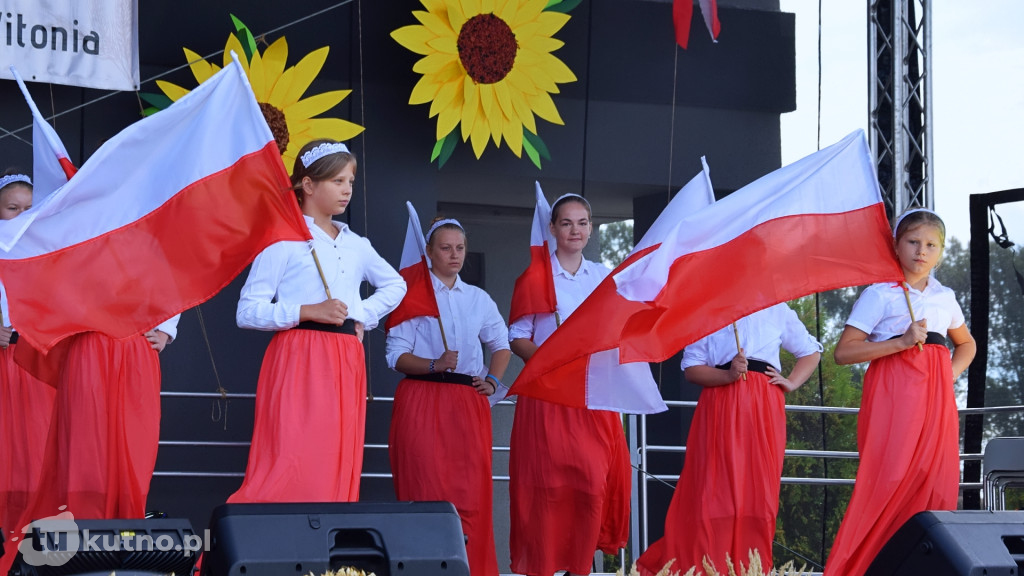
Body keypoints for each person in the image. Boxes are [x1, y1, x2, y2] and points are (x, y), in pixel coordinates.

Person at [229, 139, 406, 503]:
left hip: (345, 358)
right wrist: (307, 311)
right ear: (308, 185)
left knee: (337, 452)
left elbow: (396, 284)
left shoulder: (356, 243)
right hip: (298, 355)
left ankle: (325, 545)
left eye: (351, 182)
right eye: (337, 181)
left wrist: (362, 315)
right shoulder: (283, 238)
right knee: (291, 453)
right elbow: (247, 311)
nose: (347, 190)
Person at [824, 209, 976, 576]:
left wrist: (945, 376)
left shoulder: (945, 297)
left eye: (930, 245)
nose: (921, 251)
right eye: (912, 242)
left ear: (940, 252)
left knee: (936, 481)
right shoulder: (880, 294)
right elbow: (844, 352)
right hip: (894, 397)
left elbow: (967, 344)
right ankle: (862, 567)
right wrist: (902, 343)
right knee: (888, 480)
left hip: (936, 403)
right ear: (895, 245)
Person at [636, 304, 821, 575]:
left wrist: (791, 382)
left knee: (759, 491)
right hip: (721, 400)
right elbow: (691, 368)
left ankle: (751, 566)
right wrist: (728, 374)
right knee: (714, 489)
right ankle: (708, 565)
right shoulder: (709, 310)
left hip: (764, 404)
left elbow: (810, 352)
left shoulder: (777, 308)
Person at [508, 193, 630, 576]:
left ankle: (582, 567)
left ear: (591, 228)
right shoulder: (535, 277)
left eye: (582, 223)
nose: (574, 230)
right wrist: (549, 361)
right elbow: (517, 337)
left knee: (593, 483)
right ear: (553, 228)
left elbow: (619, 328)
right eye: (566, 223)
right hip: (548, 396)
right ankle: (544, 567)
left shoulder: (603, 276)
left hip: (593, 394)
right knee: (548, 488)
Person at [386, 217, 510, 576]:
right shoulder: (411, 294)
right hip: (422, 397)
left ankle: (472, 569)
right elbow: (395, 355)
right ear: (428, 252)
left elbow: (501, 345)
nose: (454, 255)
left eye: (460, 248)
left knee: (471, 493)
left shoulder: (478, 298)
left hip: (466, 402)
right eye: (445, 247)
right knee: (424, 486)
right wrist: (433, 363)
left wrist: (492, 378)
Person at [0, 172, 55, 550]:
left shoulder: (52, 248)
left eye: (28, 209)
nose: (20, 215)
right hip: (4, 365)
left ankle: (34, 544)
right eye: (11, 208)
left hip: (38, 366)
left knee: (38, 456)